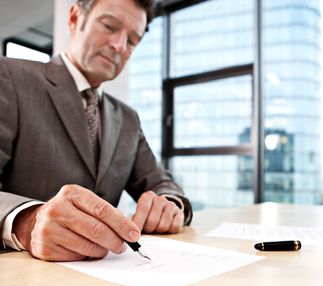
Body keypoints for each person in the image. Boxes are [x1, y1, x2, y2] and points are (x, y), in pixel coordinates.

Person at [0, 0, 192, 261]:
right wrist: (26, 222)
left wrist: (170, 204)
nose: (120, 46)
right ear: (74, 17)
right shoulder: (9, 77)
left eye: (133, 40)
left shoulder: (128, 119)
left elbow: (160, 182)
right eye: (110, 26)